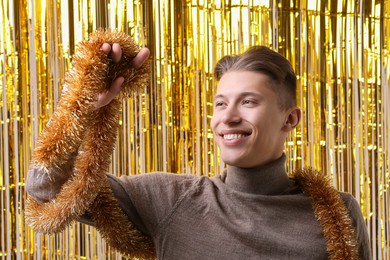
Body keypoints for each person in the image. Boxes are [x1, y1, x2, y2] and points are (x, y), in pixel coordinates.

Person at [26, 42, 371, 260]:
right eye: (221, 104)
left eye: (248, 102)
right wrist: (83, 105)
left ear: (290, 118)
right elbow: (46, 191)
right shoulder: (172, 201)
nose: (229, 117)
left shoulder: (337, 213)